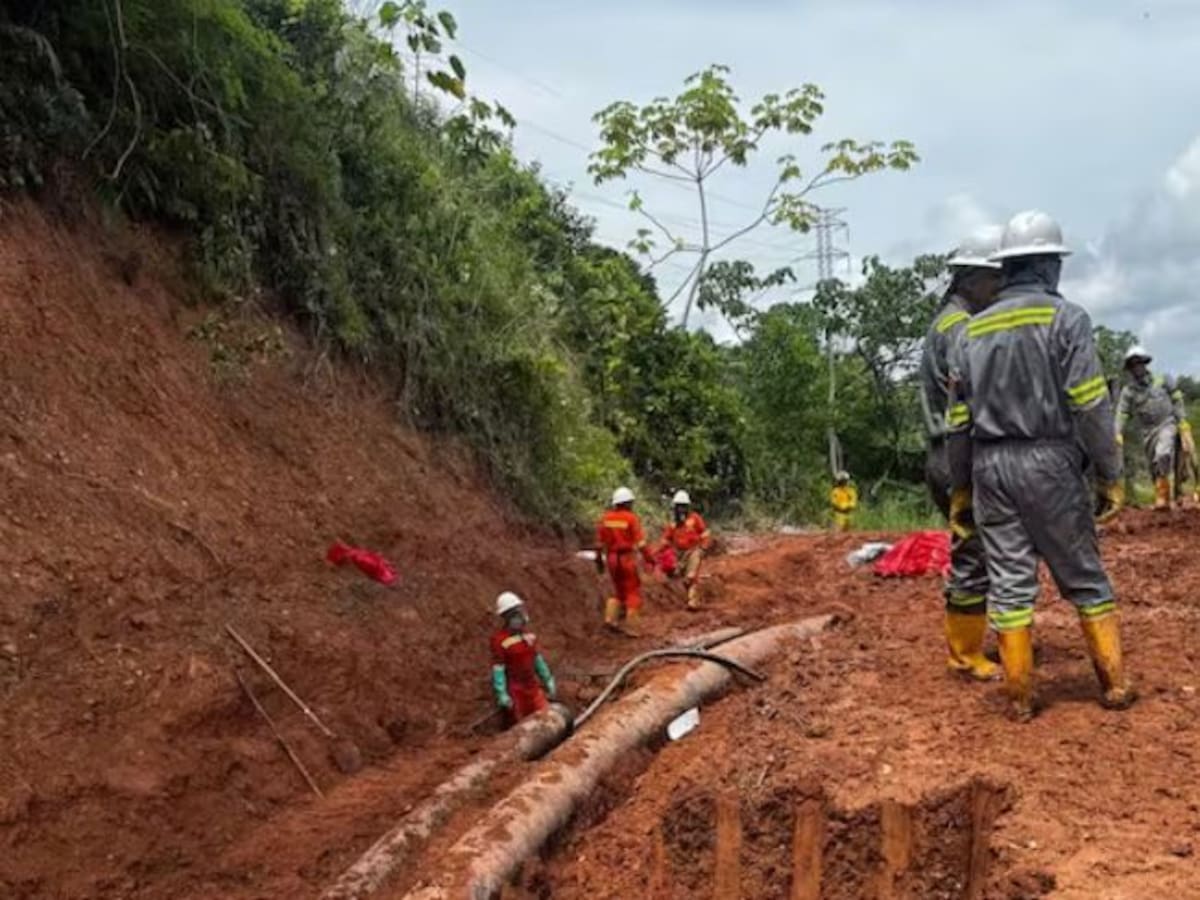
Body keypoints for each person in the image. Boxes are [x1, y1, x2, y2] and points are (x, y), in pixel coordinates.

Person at [947, 209, 1133, 721]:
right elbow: (1091, 405)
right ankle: (1114, 684)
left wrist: (961, 487)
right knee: (1085, 575)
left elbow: (957, 422)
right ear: (1051, 266)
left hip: (990, 467)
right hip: (1050, 460)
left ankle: (1020, 696)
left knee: (1009, 580)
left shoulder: (970, 333)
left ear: (1008, 267)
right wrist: (1110, 472)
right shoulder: (1067, 319)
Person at [918, 225, 1004, 681]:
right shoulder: (961, 329)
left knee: (976, 545)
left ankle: (968, 645)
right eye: (996, 279)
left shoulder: (949, 322)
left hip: (946, 452)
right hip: (958, 454)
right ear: (972, 279)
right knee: (974, 548)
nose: (1002, 288)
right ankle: (965, 654)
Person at [1116, 345, 1192, 510]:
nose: (1136, 368)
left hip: (1167, 423)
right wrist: (1117, 433)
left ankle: (1164, 498)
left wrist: (1183, 422)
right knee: (1154, 466)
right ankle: (1164, 498)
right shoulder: (1129, 391)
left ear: (1145, 363)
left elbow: (1177, 399)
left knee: (1162, 454)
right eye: (1132, 365)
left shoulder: (1163, 379)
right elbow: (1122, 413)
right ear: (1129, 369)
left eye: (1139, 363)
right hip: (1147, 431)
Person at [595, 486, 656, 635]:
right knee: (632, 591)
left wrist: (599, 562)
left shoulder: (605, 518)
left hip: (612, 560)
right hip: (626, 558)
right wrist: (650, 559)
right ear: (628, 503)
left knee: (618, 589)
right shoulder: (631, 518)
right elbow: (641, 543)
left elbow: (598, 545)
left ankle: (611, 618)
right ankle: (633, 628)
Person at [489, 591, 556, 725]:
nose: (521, 617)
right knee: (523, 727)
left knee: (546, 721)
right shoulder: (500, 641)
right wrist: (502, 694)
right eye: (516, 614)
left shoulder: (528, 638)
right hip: (516, 692)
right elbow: (498, 669)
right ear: (507, 618)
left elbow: (537, 660)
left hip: (533, 688)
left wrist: (547, 679)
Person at [656, 490, 713, 610]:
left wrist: (703, 548)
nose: (681, 509)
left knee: (691, 576)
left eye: (683, 506)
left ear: (687, 507)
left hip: (693, 551)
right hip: (678, 553)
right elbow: (665, 541)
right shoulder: (673, 524)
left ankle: (693, 602)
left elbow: (705, 534)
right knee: (674, 576)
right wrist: (655, 553)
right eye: (679, 506)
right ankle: (678, 601)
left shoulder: (695, 519)